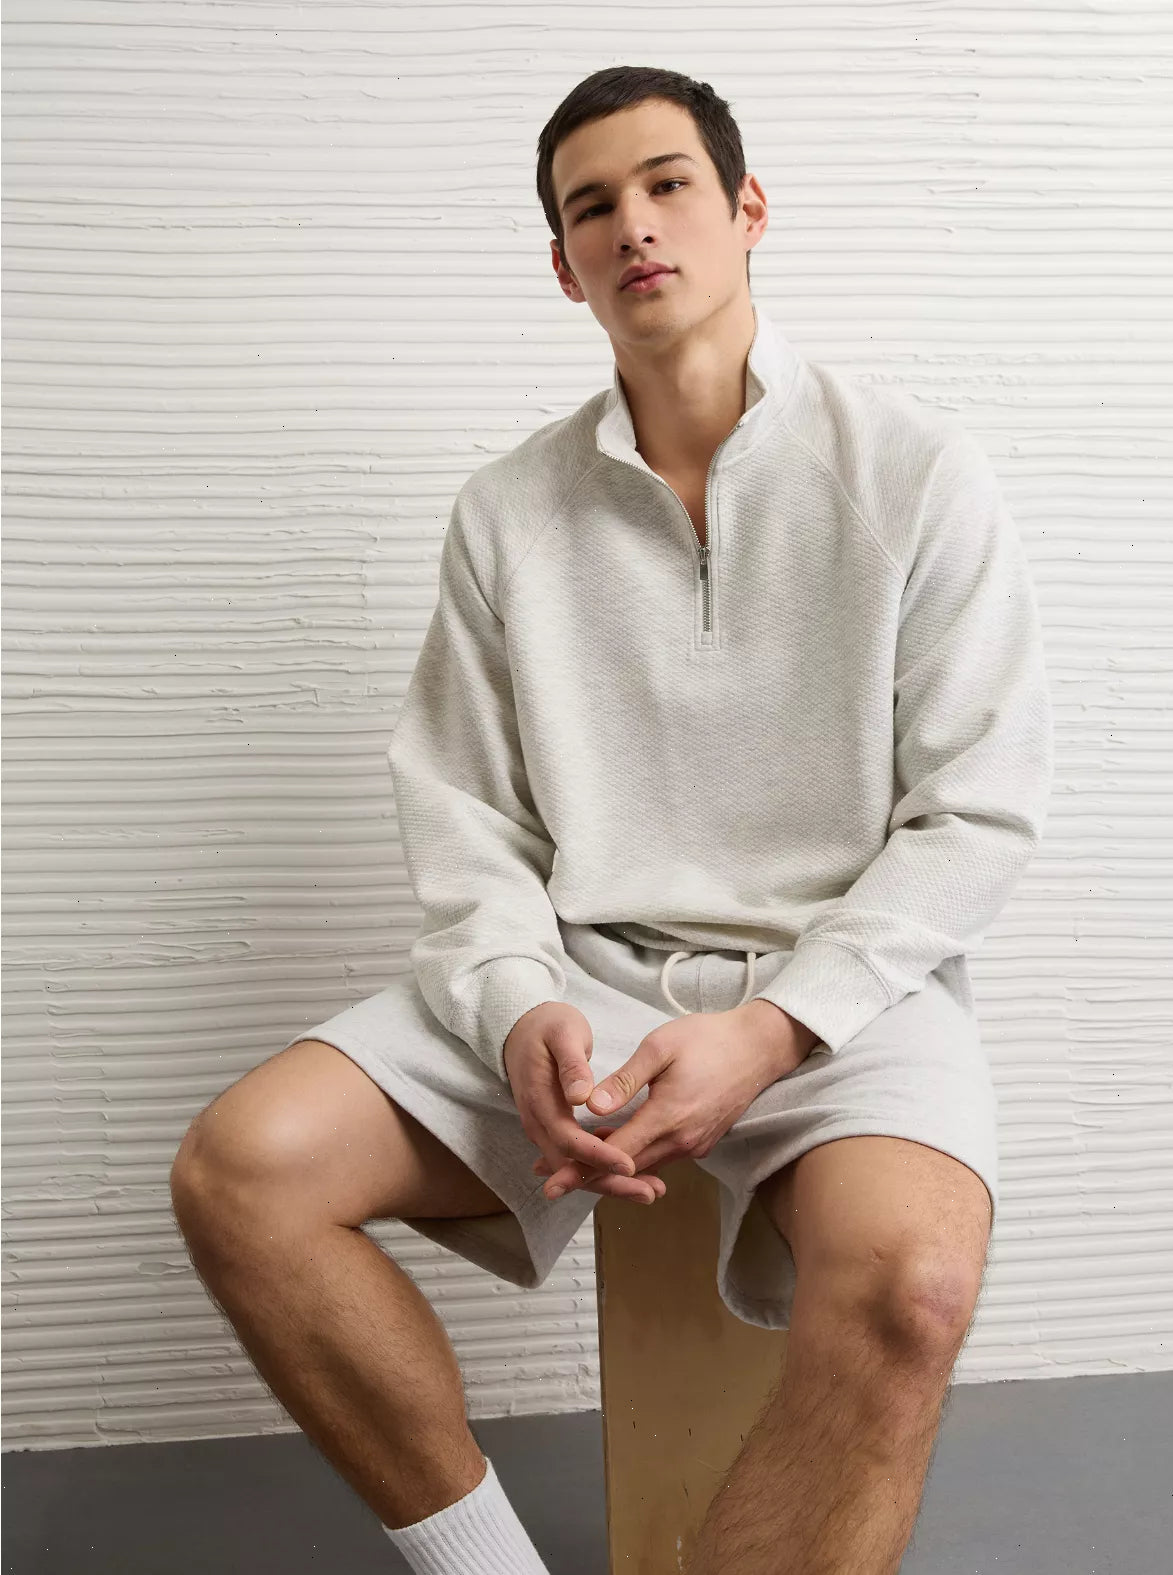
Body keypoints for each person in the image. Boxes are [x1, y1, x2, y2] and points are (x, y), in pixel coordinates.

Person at [169, 64, 1053, 1575]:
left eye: (666, 185)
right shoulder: (507, 512)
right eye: (592, 208)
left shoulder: (916, 473)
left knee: (913, 1289)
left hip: (843, 989)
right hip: (582, 973)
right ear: (563, 264)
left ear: (746, 209)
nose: (633, 224)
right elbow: (467, 815)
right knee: (240, 1170)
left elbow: (974, 814)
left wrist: (776, 1027)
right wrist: (517, 1002)